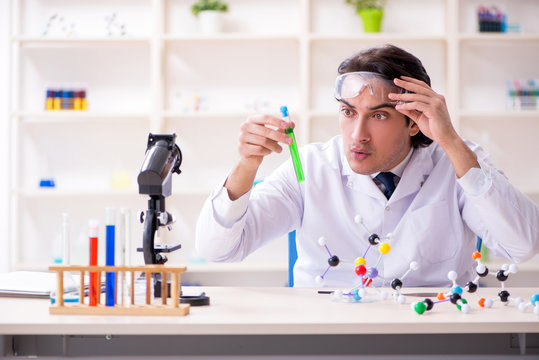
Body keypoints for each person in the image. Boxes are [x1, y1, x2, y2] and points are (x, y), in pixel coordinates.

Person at [195, 44, 539, 288]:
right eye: (348, 113)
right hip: (327, 336)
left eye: (378, 116)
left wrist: (450, 142)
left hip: (431, 335)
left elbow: (522, 247)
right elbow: (219, 251)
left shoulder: (458, 161)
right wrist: (247, 164)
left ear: (415, 120)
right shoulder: (311, 167)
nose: (357, 135)